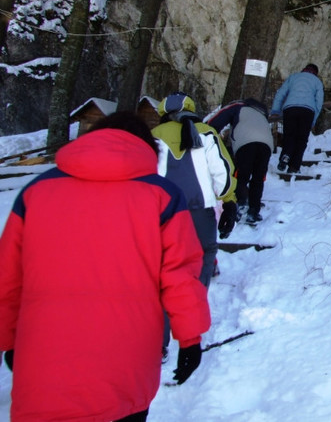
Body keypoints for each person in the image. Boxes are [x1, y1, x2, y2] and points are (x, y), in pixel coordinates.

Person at [0, 111, 211, 422]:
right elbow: (180, 275)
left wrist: (9, 340)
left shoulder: (36, 191)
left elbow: (8, 279)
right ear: (145, 148)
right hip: (126, 361)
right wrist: (190, 339)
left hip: (44, 361)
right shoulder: (163, 195)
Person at [152, 92, 237, 357]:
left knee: (161, 273)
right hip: (200, 213)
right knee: (199, 266)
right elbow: (222, 174)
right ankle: (189, 329)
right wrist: (229, 200)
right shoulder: (207, 133)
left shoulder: (153, 135)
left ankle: (158, 343)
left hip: (162, 216)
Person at [208, 98, 274, 224]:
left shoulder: (238, 106)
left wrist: (207, 133)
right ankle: (254, 211)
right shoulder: (261, 113)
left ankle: (240, 204)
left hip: (245, 143)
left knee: (241, 176)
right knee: (258, 178)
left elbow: (215, 121)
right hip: (266, 144)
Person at [270, 63, 324, 173]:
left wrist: (275, 110)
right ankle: (294, 167)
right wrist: (313, 120)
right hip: (307, 111)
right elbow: (319, 102)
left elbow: (280, 93)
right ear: (315, 73)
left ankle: (285, 156)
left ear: (304, 70)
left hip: (290, 109)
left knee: (289, 135)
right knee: (301, 139)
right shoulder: (317, 81)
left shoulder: (293, 77)